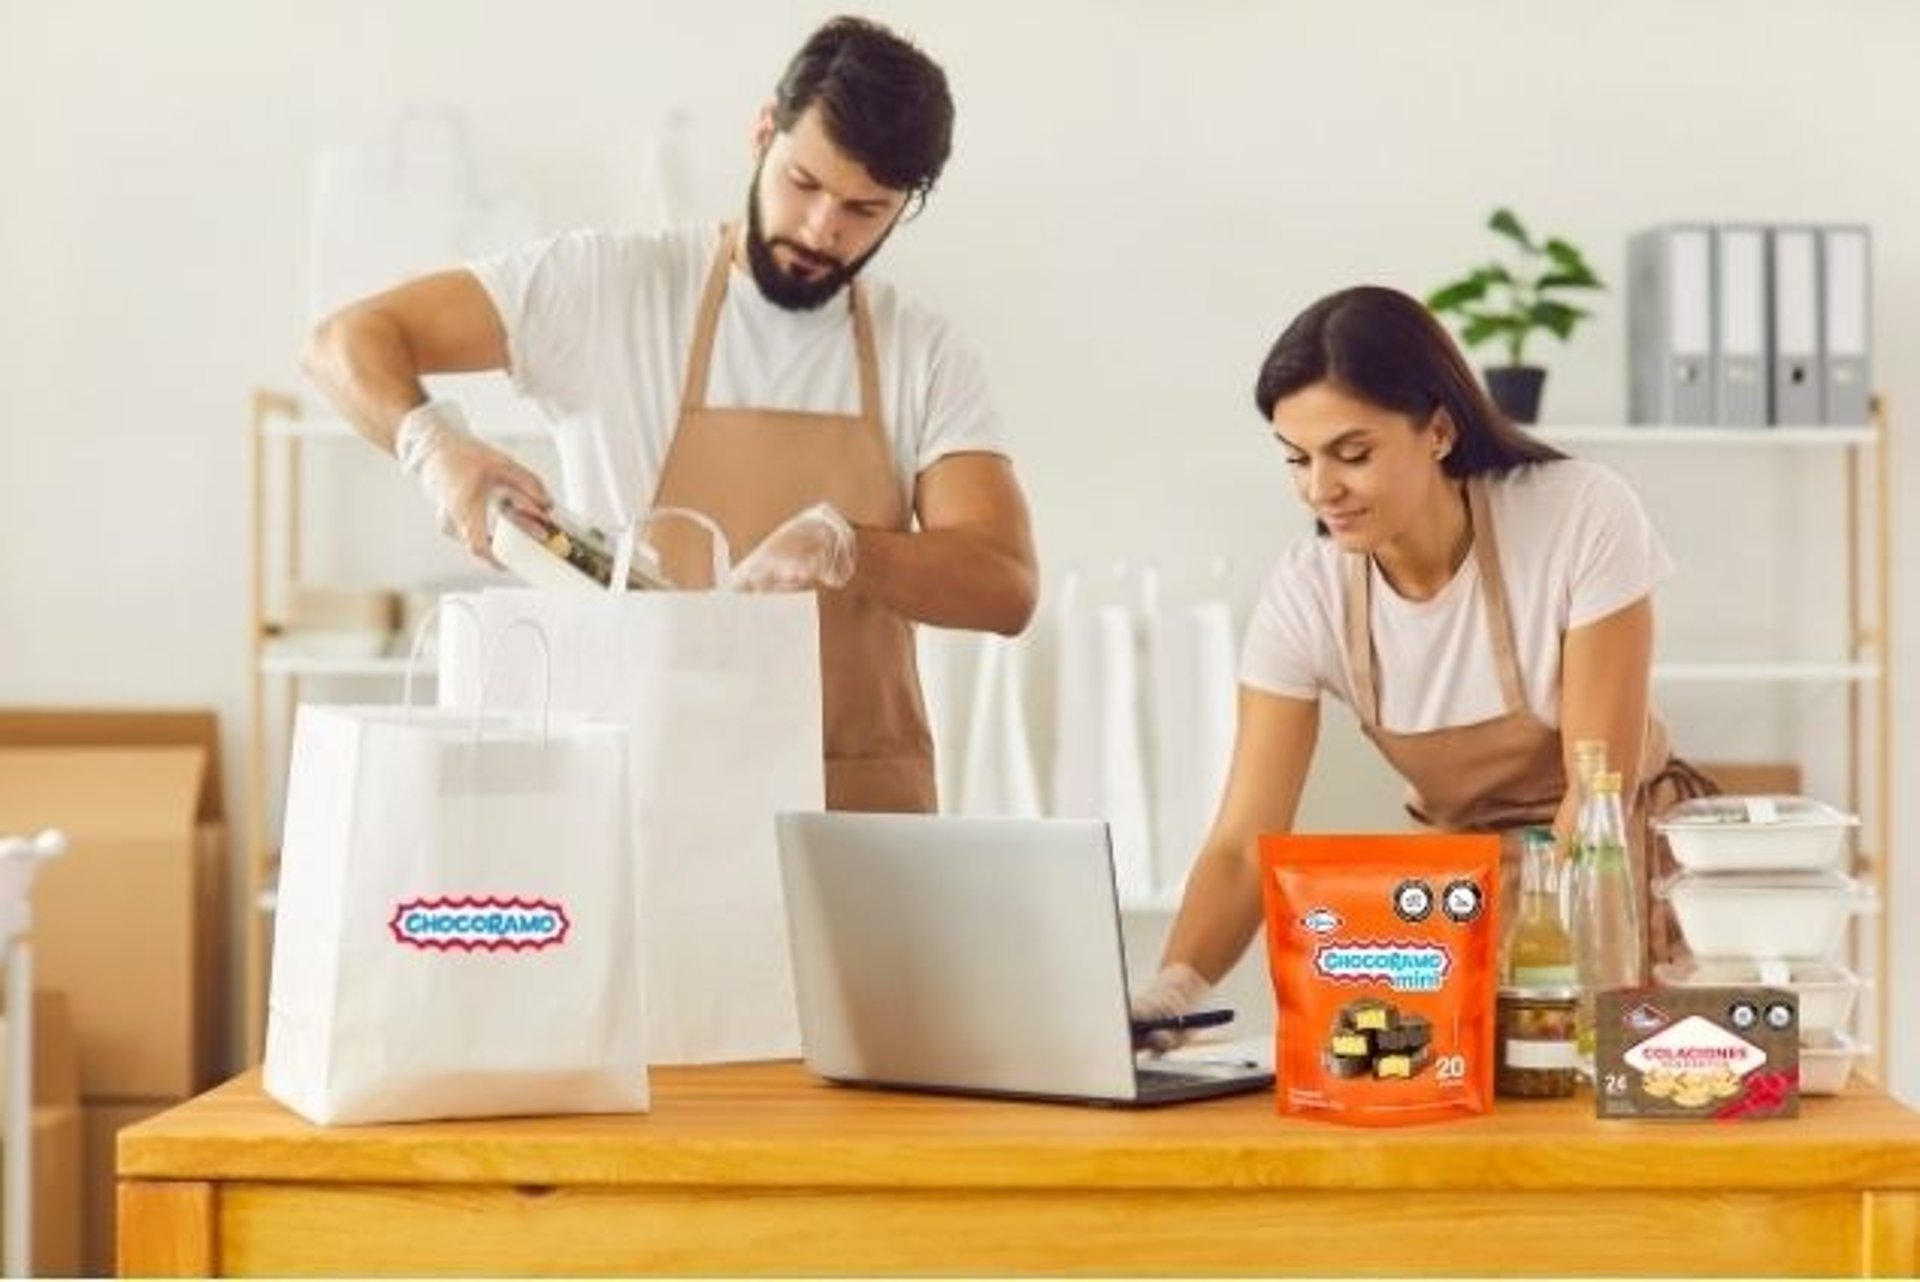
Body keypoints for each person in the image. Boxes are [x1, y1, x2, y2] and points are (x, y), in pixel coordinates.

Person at [301, 15, 1038, 814]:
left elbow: (1005, 584)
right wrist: (432, 444)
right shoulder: (607, 290)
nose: (825, 228)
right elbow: (348, 340)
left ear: (905, 206)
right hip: (637, 802)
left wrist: (848, 549)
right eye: (805, 184)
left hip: (847, 816)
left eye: (865, 209)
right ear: (764, 134)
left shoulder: (924, 357)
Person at [1131, 284, 1675, 1031]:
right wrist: (1171, 993)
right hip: (1464, 903)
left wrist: (1530, 970)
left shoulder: (1577, 515)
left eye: (1351, 454)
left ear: (1440, 431)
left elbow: (1593, 801)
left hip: (1618, 879)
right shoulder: (1307, 592)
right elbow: (1241, 847)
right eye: (1296, 459)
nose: (1321, 489)